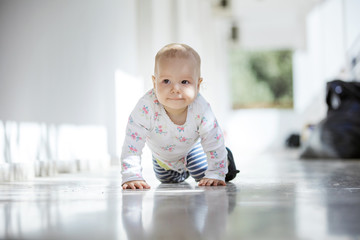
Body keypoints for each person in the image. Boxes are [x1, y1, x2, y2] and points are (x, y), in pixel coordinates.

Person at [121, 43, 239, 189]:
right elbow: (132, 143)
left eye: (184, 82)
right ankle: (180, 171)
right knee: (168, 180)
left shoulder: (200, 108)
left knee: (203, 174)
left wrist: (216, 172)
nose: (175, 89)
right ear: (154, 82)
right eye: (166, 81)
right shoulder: (146, 108)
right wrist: (131, 175)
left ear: (197, 84)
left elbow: (213, 138)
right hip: (162, 159)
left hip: (192, 149)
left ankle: (226, 159)